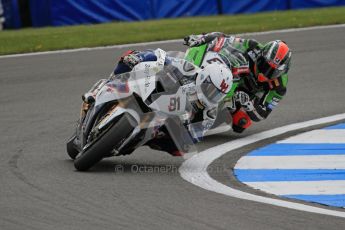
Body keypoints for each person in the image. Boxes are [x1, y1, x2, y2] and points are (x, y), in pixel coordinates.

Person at [82, 49, 233, 156]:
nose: (212, 95)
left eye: (218, 94)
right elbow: (161, 56)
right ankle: (102, 88)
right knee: (128, 57)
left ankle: (124, 140)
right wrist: (140, 58)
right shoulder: (189, 69)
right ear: (203, 78)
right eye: (211, 89)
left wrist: (183, 132)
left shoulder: (209, 113)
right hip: (150, 92)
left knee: (180, 150)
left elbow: (194, 137)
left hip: (162, 124)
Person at [184, 32, 292, 133]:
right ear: (261, 55)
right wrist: (201, 39)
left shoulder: (279, 88)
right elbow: (222, 37)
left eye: (272, 72)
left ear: (281, 72)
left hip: (243, 98)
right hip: (230, 76)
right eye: (264, 65)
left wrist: (248, 104)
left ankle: (207, 116)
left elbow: (262, 115)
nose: (264, 74)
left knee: (241, 123)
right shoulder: (252, 46)